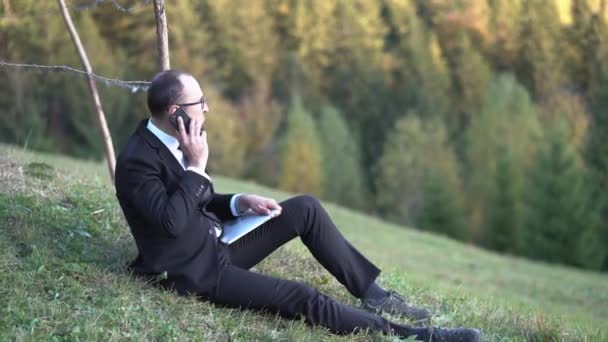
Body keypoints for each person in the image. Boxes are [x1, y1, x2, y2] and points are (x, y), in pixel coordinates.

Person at [114, 70, 481, 342]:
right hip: (193, 272)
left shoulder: (180, 138)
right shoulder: (137, 162)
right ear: (176, 110)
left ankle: (375, 295)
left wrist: (240, 203)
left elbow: (197, 201)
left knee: (304, 207)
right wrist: (196, 167)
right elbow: (171, 222)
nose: (207, 108)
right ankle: (413, 336)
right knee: (302, 297)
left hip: (214, 244)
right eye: (200, 103)